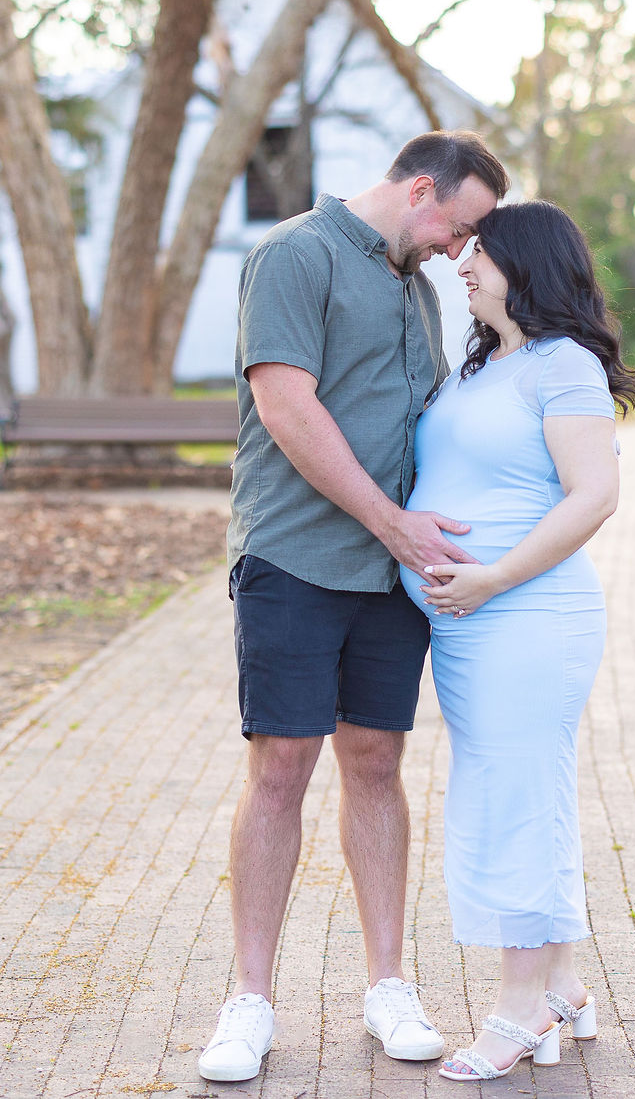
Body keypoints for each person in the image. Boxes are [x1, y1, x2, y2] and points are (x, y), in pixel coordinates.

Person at [197, 131, 510, 1085]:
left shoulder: (415, 286)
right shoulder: (295, 254)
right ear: (420, 190)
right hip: (294, 558)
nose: (458, 250)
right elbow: (288, 408)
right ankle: (250, 1000)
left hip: (388, 576)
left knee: (376, 762)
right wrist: (395, 523)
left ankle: (388, 985)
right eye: (458, 227)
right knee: (281, 769)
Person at [400, 199, 635, 1082]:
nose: (462, 266)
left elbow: (595, 495)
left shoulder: (564, 363)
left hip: (530, 617)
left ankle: (519, 1006)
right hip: (473, 627)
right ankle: (565, 986)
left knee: (514, 801)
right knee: (521, 793)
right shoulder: (484, 364)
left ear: (528, 264)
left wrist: (494, 576)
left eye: (481, 253)